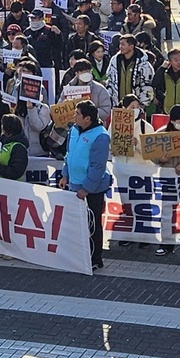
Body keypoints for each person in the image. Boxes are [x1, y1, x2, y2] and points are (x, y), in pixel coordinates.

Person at [61, 100, 112, 270]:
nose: (74, 116)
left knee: (92, 223)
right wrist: (65, 174)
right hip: (75, 185)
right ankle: (78, 256)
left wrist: (87, 188)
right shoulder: (74, 130)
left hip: (92, 190)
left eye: (77, 114)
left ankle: (95, 258)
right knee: (77, 223)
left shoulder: (100, 136)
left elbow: (97, 166)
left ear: (88, 118)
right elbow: (69, 154)